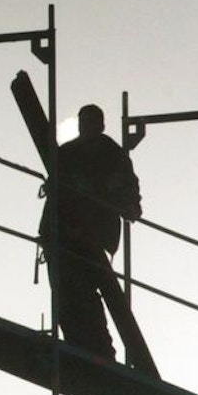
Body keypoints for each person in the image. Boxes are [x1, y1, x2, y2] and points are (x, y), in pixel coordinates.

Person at [39, 104, 142, 359]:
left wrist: (122, 203)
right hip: (62, 235)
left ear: (100, 126)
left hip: (89, 239)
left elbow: (131, 200)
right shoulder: (68, 154)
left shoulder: (112, 156)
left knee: (85, 296)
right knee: (66, 297)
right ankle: (80, 346)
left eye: (91, 123)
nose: (87, 128)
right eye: (84, 123)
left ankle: (100, 350)